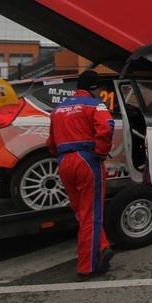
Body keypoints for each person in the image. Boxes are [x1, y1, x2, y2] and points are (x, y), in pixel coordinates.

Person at [47, 69, 115, 278]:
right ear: (94, 88)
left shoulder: (58, 109)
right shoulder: (94, 104)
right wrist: (101, 152)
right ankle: (87, 266)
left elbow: (51, 142)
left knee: (82, 212)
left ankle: (103, 246)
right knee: (92, 215)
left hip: (64, 162)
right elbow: (107, 126)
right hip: (87, 160)